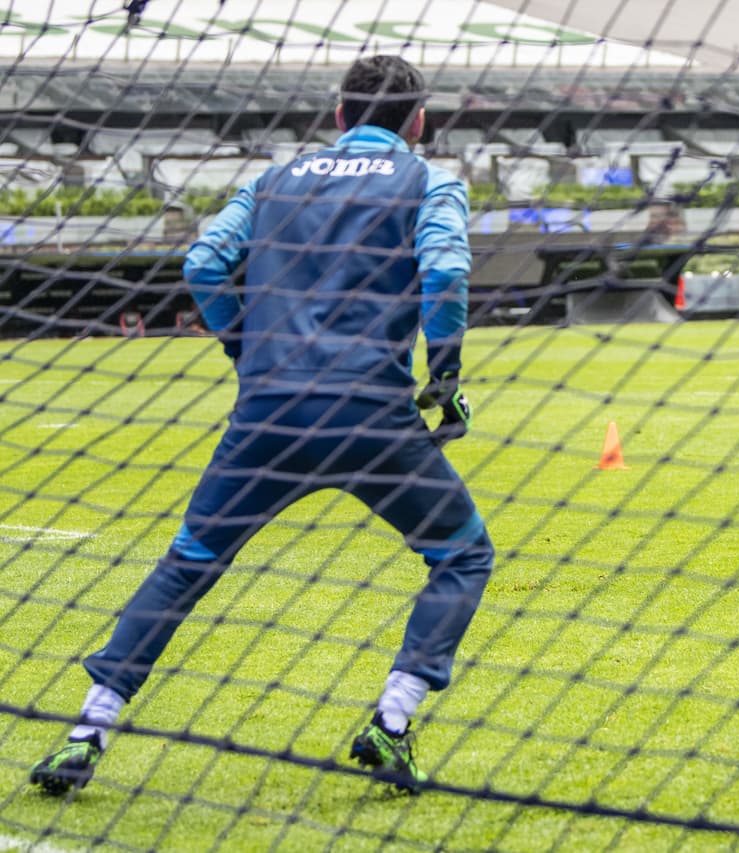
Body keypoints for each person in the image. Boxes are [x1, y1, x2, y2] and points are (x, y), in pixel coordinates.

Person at [30, 55, 493, 796]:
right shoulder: (431, 181)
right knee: (462, 556)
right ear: (420, 122)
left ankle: (87, 730)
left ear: (338, 116)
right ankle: (393, 721)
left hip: (268, 414)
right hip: (369, 416)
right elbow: (444, 273)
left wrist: (248, 348)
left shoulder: (275, 179)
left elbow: (203, 261)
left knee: (188, 564)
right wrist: (444, 380)